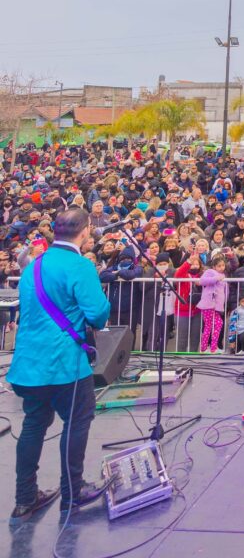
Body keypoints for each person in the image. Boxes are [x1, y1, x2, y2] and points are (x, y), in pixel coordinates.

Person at [7, 208, 113, 524]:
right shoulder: (80, 266)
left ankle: (25, 499)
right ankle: (73, 492)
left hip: (28, 364)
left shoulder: (33, 267)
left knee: (33, 425)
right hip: (65, 364)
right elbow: (98, 315)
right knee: (78, 421)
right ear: (85, 231)